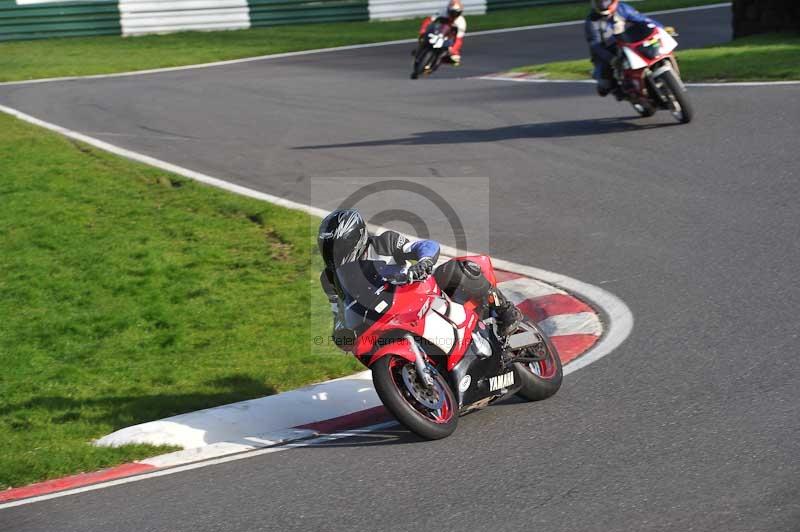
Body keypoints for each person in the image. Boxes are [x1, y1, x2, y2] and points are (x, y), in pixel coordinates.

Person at [317, 209, 522, 351]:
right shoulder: (329, 279)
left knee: (457, 269)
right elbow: (338, 313)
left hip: (419, 294)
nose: (333, 254)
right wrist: (340, 334)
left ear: (355, 238)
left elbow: (424, 246)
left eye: (338, 246)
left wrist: (423, 262)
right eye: (328, 248)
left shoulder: (384, 243)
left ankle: (506, 311)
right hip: (383, 318)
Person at [585, 0, 668, 97]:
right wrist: (611, 59)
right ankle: (621, 90)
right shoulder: (591, 21)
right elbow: (595, 45)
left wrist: (661, 29)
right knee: (605, 85)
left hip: (628, 40)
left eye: (605, 1)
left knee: (656, 48)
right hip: (607, 49)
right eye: (599, 2)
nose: (603, 5)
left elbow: (643, 20)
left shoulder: (622, 8)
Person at [414, 0, 467, 66]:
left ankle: (443, 58)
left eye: (456, 13)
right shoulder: (442, 12)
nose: (454, 15)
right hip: (438, 29)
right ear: (448, 9)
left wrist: (453, 50)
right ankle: (420, 49)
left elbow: (458, 39)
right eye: (452, 12)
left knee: (456, 58)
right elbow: (429, 20)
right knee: (422, 37)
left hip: (449, 36)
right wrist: (423, 31)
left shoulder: (461, 22)